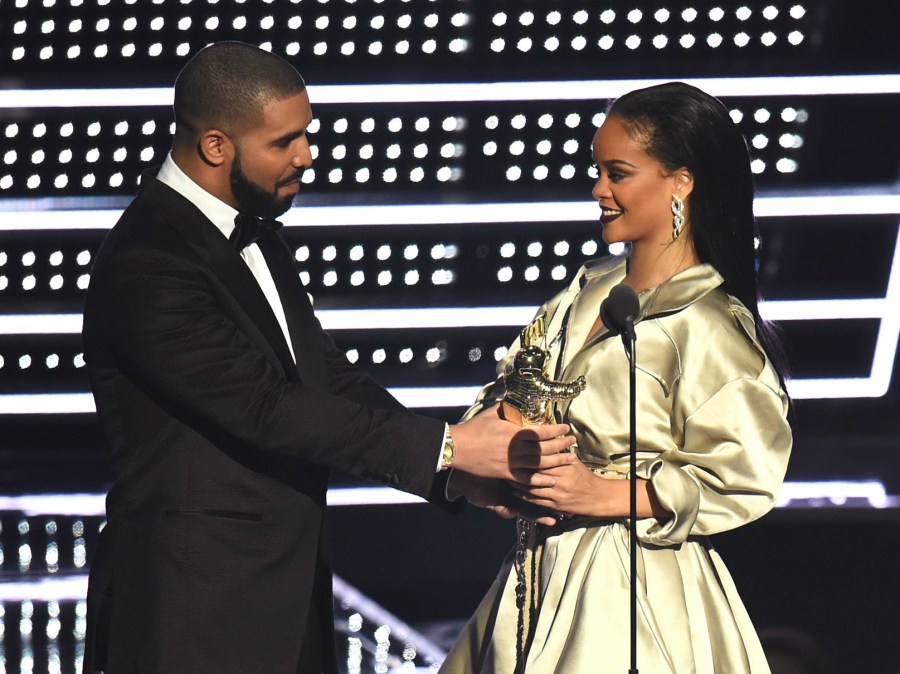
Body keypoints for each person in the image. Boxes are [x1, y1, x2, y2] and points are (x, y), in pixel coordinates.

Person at [80, 41, 575, 674]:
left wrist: (451, 471)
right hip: (192, 611)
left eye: (305, 135)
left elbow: (327, 377)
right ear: (215, 147)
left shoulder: (254, 234)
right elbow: (266, 408)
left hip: (281, 601)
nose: (305, 158)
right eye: (283, 142)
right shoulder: (148, 263)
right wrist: (450, 445)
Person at [439, 82, 793, 673]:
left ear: (681, 180)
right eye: (598, 171)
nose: (600, 190)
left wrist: (601, 493)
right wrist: (503, 444)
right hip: (536, 568)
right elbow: (512, 392)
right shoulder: (583, 293)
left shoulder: (708, 326)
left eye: (618, 173)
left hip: (636, 587)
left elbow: (745, 476)